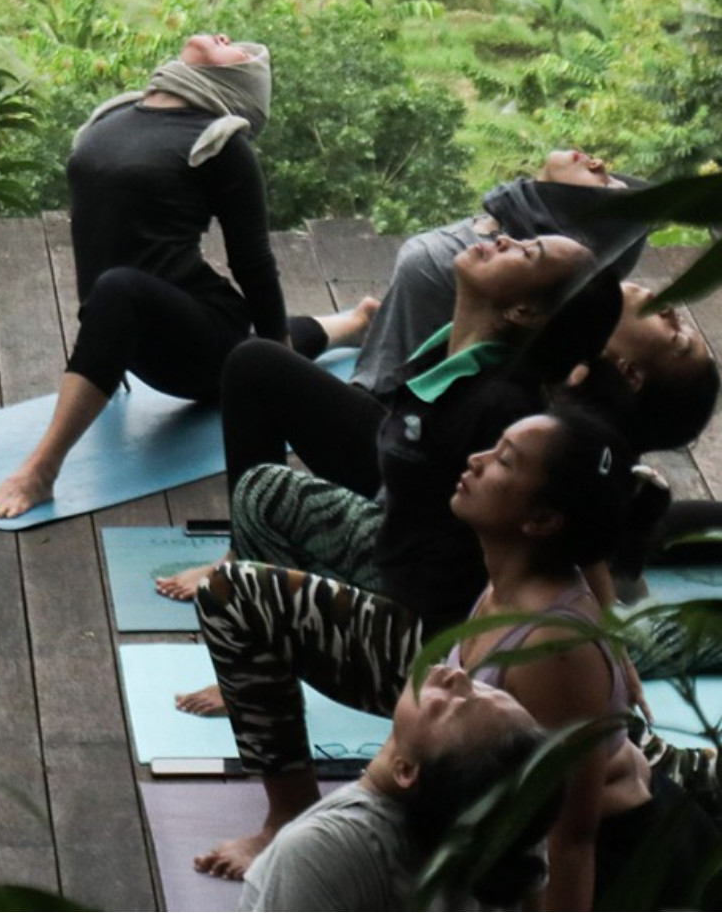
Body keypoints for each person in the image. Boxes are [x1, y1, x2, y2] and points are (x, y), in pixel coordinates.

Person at [195, 406, 722, 909]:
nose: (476, 460)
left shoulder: (553, 650)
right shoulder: (508, 581)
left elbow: (570, 838)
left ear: (540, 519)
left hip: (624, 865)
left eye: (504, 460)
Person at [173, 242, 618, 637]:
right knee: (256, 364)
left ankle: (257, 617)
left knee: (268, 493)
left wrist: (604, 629)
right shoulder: (452, 347)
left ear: (523, 312)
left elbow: (566, 513)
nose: (504, 239)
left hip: (412, 572)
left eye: (526, 253)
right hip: (403, 475)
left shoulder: (506, 406)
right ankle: (243, 556)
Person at [0, 33, 296, 519]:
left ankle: (40, 471)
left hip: (196, 344)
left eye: (242, 50)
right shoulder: (114, 117)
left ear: (238, 81)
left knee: (133, 294)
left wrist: (286, 379)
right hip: (125, 332)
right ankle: (351, 325)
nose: (225, 36)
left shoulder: (221, 143)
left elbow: (254, 262)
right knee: (120, 291)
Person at [239, 662, 549, 911]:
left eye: (454, 707)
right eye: (488, 690)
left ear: (406, 770)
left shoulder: (321, 850)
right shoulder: (507, 818)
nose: (458, 675)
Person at [349, 149, 650, 398]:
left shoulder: (477, 266)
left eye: (607, 185)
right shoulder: (510, 225)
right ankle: (358, 322)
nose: (599, 163)